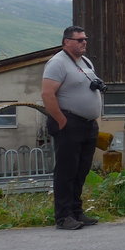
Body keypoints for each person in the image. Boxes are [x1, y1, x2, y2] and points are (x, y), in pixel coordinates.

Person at [42, 26, 104, 230]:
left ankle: (77, 212)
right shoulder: (57, 63)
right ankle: (63, 216)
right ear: (66, 41)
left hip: (87, 124)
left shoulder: (85, 61)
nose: (84, 42)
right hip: (69, 122)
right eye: (79, 40)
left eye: (85, 39)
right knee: (66, 171)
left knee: (81, 170)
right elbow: (47, 94)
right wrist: (61, 121)